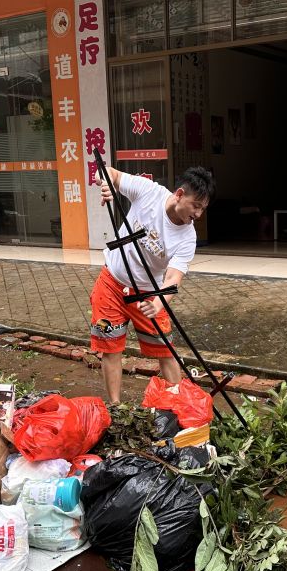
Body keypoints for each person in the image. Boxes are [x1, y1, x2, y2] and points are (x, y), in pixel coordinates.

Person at [90, 166, 214, 403]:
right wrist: (104, 182)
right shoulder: (149, 192)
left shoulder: (187, 237)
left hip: (149, 293)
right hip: (111, 283)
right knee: (111, 348)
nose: (198, 214)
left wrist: (158, 304)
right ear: (179, 194)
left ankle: (176, 405)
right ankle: (116, 406)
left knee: (166, 350)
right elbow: (107, 172)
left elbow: (173, 278)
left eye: (203, 209)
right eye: (196, 206)